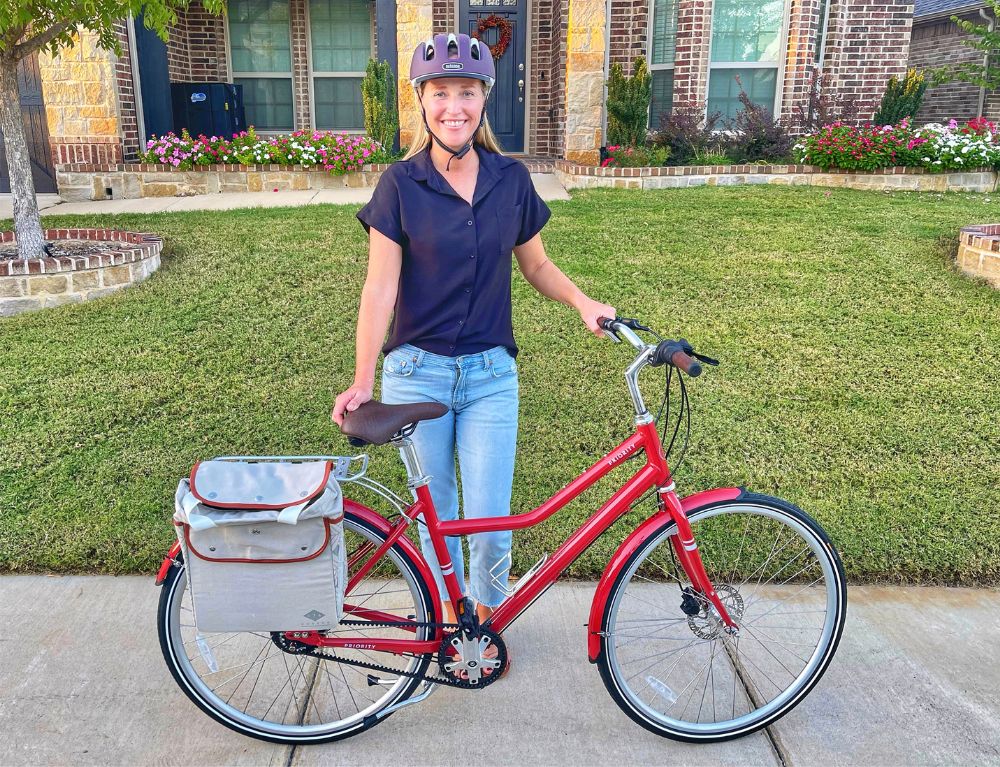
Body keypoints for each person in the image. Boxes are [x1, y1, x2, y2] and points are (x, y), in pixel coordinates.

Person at [331, 32, 615, 674]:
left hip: (491, 375)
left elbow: (537, 264)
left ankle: (481, 627)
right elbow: (381, 288)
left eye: (466, 92)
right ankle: (443, 623)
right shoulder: (400, 185)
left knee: (489, 520)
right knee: (437, 518)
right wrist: (362, 377)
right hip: (416, 373)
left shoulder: (511, 180)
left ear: (484, 101)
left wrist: (582, 302)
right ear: (422, 103)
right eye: (440, 94)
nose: (453, 106)